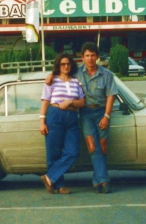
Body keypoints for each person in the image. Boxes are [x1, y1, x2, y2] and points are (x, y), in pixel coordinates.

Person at [46, 42, 118, 193]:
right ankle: (104, 181)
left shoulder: (107, 75)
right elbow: (61, 73)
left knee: (103, 147)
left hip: (102, 112)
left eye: (93, 55)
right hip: (85, 114)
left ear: (97, 57)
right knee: (93, 147)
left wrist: (106, 116)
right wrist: (50, 74)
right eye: (87, 55)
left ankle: (98, 180)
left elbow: (111, 96)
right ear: (82, 58)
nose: (90, 58)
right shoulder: (76, 73)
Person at [39, 53, 85, 194]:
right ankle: (59, 185)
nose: (65, 66)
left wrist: (71, 101)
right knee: (54, 152)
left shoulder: (76, 81)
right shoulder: (52, 81)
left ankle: (49, 177)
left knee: (73, 152)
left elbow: (82, 102)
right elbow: (45, 101)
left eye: (68, 64)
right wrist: (42, 121)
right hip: (55, 115)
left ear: (71, 65)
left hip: (72, 116)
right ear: (58, 65)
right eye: (63, 64)